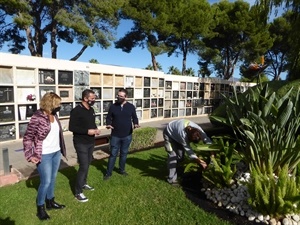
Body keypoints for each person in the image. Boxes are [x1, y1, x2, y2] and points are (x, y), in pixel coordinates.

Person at [23, 92, 66, 221]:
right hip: (44, 154)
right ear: (50, 103)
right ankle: (40, 208)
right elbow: (28, 137)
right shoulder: (37, 116)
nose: (60, 106)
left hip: (56, 152)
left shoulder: (54, 115)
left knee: (52, 179)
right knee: (46, 181)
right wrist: (30, 155)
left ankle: (50, 202)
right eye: (58, 104)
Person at [69, 89, 100, 202]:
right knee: (83, 166)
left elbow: (91, 123)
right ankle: (78, 192)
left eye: (94, 98)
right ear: (85, 98)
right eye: (92, 98)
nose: (94, 100)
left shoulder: (91, 109)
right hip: (80, 142)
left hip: (90, 142)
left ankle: (83, 183)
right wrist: (87, 131)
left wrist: (95, 130)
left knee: (88, 164)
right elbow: (72, 128)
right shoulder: (76, 111)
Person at [103, 88, 139, 180]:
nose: (119, 97)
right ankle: (108, 173)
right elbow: (108, 118)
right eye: (118, 96)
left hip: (127, 135)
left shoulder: (131, 107)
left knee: (124, 154)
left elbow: (135, 117)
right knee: (113, 154)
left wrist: (135, 124)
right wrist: (108, 124)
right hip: (115, 135)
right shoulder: (113, 106)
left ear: (126, 97)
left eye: (121, 96)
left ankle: (121, 170)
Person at [163, 119, 212, 185]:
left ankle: (179, 172)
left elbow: (206, 139)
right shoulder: (183, 136)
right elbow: (190, 152)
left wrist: (212, 152)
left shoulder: (198, 130)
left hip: (176, 133)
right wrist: (201, 162)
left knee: (181, 155)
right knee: (173, 157)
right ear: (188, 138)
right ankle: (171, 179)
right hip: (169, 134)